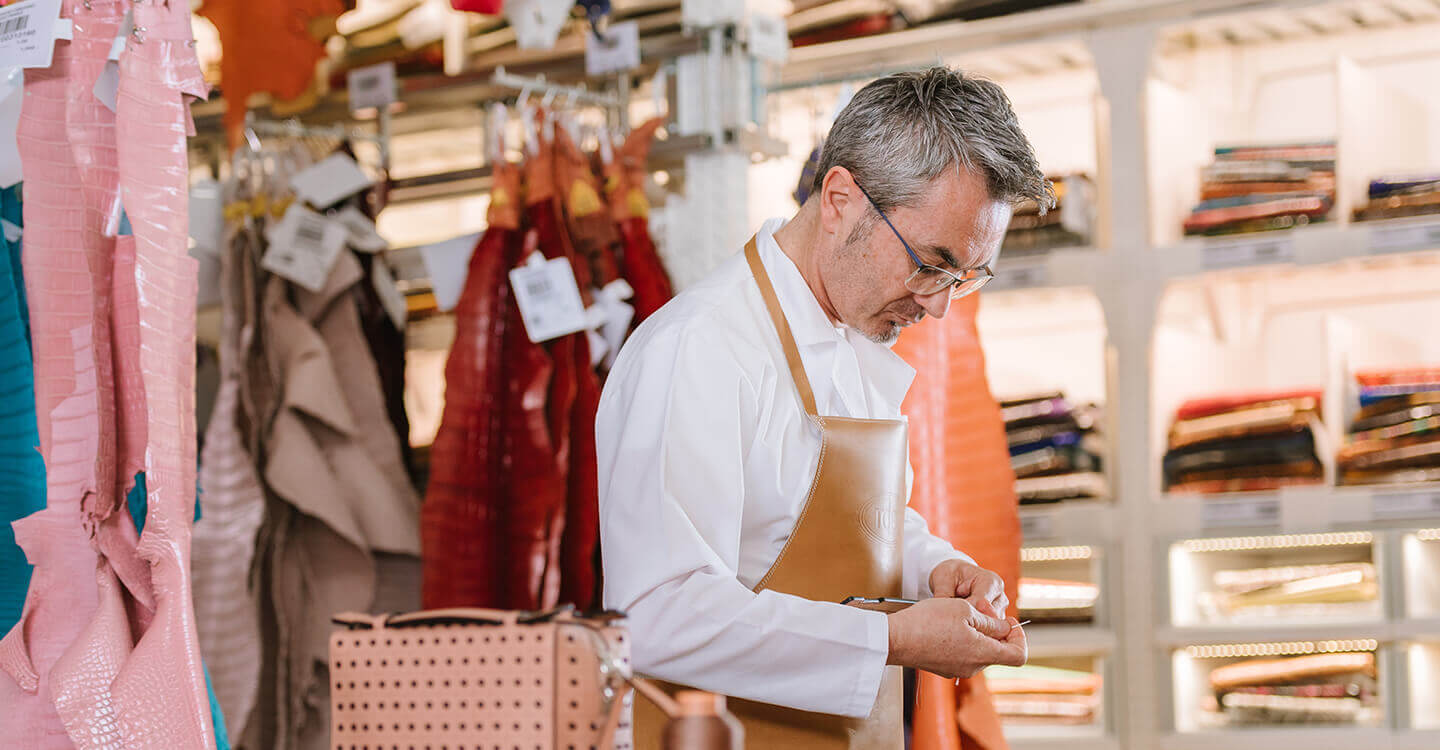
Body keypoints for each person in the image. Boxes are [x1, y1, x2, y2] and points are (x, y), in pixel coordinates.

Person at [597, 66, 1053, 749]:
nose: (938, 306)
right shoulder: (699, 349)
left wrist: (929, 565)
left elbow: (840, 522)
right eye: (931, 264)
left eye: (966, 277)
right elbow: (660, 614)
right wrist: (894, 635)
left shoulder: (850, 331)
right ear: (840, 199)